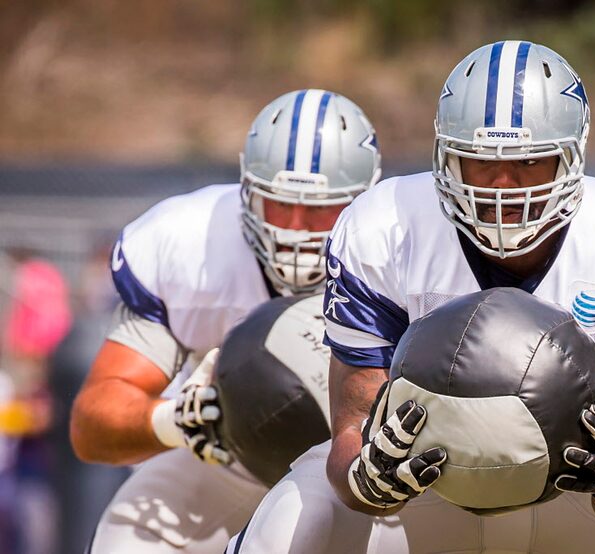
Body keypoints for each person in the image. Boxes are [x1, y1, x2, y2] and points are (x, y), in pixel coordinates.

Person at [227, 41, 595, 553]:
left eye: (528, 163)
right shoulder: (381, 228)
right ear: (446, 157)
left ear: (571, 158)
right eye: (482, 162)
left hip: (577, 490)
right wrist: (365, 481)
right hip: (423, 486)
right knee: (286, 523)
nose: (503, 185)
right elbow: (351, 433)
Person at [69, 88, 381, 553]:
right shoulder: (189, 244)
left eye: (320, 210)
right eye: (279, 204)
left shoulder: (399, 240)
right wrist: (174, 420)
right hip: (231, 449)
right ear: (247, 191)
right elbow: (92, 425)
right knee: (131, 534)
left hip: (373, 465)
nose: (294, 228)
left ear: (363, 200)